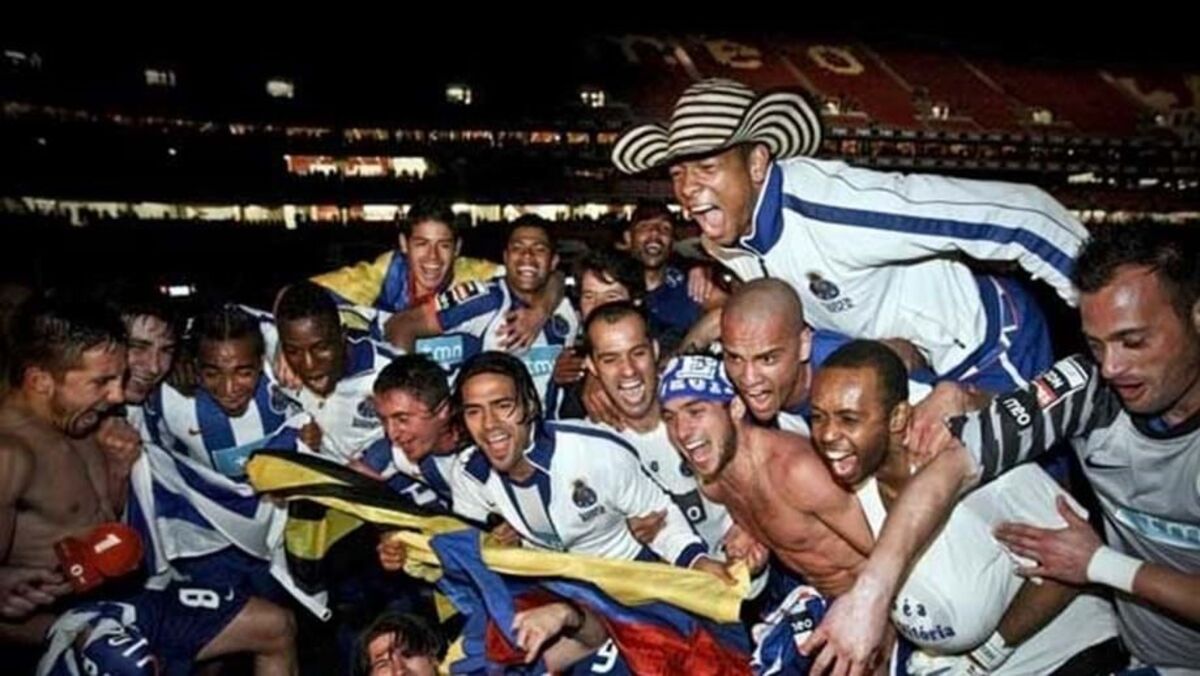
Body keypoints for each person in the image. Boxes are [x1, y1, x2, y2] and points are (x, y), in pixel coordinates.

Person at [807, 223, 1200, 674]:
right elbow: (951, 469)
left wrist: (1100, 564)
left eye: (1133, 342)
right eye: (1096, 344)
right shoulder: (1090, 389)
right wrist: (869, 596)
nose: (1112, 366)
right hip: (1148, 660)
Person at [613, 78, 1084, 393]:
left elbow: (1021, 213)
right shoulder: (721, 241)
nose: (687, 188)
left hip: (989, 346)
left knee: (1037, 504)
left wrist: (1104, 309)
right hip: (910, 372)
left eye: (706, 166)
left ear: (756, 163)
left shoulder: (837, 207)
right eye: (677, 173)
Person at [0, 295, 295, 675]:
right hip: (57, 621)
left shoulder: (86, 420)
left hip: (123, 599)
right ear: (40, 380)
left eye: (118, 378)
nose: (116, 394)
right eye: (102, 382)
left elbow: (99, 516)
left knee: (275, 626)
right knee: (125, 661)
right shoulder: (10, 454)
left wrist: (118, 470)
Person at [809, 340, 1120, 674]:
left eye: (849, 419)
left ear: (897, 417)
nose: (828, 434)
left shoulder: (978, 468)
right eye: (817, 417)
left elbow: (1077, 558)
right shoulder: (856, 478)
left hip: (1067, 660)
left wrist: (986, 656)